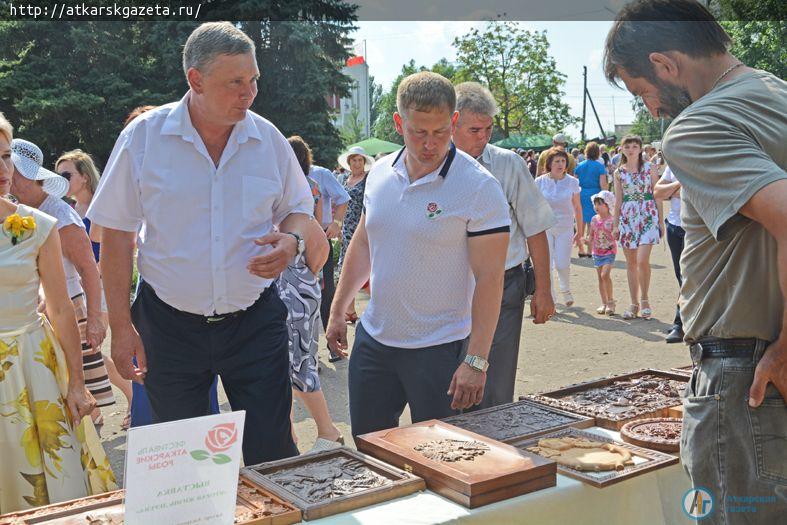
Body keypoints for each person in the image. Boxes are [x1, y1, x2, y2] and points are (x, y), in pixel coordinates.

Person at [88, 22, 328, 465]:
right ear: (194, 79)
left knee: (271, 452)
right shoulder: (144, 138)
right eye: (235, 82)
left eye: (253, 79)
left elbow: (298, 210)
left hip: (254, 323)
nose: (249, 93)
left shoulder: (268, 139)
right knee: (189, 461)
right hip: (169, 327)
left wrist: (292, 240)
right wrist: (121, 327)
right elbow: (117, 236)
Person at [605, 3, 786, 522]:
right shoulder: (775, 92)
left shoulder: (697, 125)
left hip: (748, 372)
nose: (653, 109)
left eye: (643, 92)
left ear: (664, 64)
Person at [326, 72, 511, 437]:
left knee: (443, 462)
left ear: (454, 121)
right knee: (371, 454)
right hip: (375, 343)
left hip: (440, 350)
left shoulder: (478, 187)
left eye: (440, 132)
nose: (430, 144)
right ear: (399, 123)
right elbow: (364, 241)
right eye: (418, 132)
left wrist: (476, 359)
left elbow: (491, 277)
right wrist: (337, 309)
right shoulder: (379, 173)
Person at [0, 113, 116, 513]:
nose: (3, 170)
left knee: (51, 479)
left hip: (35, 365)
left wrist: (76, 384)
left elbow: (62, 308)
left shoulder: (39, 225)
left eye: (4, 158)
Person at [453, 81, 556, 409]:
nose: (483, 138)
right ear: (452, 123)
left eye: (488, 129)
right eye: (474, 130)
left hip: (503, 286)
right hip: (450, 289)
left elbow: (535, 228)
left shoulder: (508, 164)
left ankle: (496, 449)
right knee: (450, 385)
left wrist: (543, 290)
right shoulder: (436, 164)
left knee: (494, 388)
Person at [10, 140, 115, 419]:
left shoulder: (59, 214)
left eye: (13, 169)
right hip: (40, 313)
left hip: (70, 310)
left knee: (79, 393)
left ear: (29, 176)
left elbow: (88, 269)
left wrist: (93, 319)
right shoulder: (18, 213)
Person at [55, 149, 134, 429]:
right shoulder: (69, 210)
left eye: (66, 174)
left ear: (84, 176)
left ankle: (129, 399)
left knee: (95, 348)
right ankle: (115, 402)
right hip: (81, 289)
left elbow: (118, 248)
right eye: (57, 175)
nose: (60, 180)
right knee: (91, 350)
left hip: (101, 287)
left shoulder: (101, 207)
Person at [283, 136, 343, 451]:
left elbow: (317, 241)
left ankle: (328, 431)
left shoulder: (297, 190)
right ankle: (288, 434)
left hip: (291, 290)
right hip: (291, 286)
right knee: (282, 365)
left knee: (299, 362)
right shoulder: (307, 186)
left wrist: (299, 274)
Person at [610, 135, 662, 320]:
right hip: (627, 217)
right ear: (622, 149)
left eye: (634, 146)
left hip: (648, 215)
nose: (631, 149)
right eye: (627, 146)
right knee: (631, 263)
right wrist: (615, 225)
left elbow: (657, 195)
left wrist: (660, 221)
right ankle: (634, 304)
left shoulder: (650, 168)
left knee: (641, 261)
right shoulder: (619, 173)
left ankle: (645, 299)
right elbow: (618, 201)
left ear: (640, 149)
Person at [307, 160, 349, 343]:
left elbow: (343, 198)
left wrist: (337, 223)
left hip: (321, 238)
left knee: (326, 292)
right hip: (294, 243)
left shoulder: (320, 174)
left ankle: (333, 343)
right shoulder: (285, 172)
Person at [535, 148, 583, 307]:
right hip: (544, 228)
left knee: (562, 263)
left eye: (563, 161)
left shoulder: (572, 182)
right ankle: (551, 298)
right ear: (549, 163)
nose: (561, 164)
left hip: (565, 228)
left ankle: (565, 288)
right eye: (557, 161)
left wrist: (580, 232)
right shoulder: (539, 182)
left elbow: (577, 208)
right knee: (546, 265)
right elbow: (534, 207)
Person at [336, 145, 374, 325]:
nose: (357, 163)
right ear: (349, 163)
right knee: (347, 268)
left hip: (362, 228)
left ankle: (378, 305)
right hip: (346, 230)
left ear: (364, 163)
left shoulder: (368, 180)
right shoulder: (344, 179)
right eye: (354, 160)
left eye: (360, 160)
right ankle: (349, 311)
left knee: (367, 267)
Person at [654, 165, 684, 343]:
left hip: (697, 227)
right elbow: (658, 191)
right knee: (681, 276)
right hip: (675, 226)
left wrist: (671, 190)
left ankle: (680, 324)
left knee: (689, 277)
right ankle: (685, 323)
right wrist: (678, 186)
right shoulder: (673, 163)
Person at [574, 142, 608, 257]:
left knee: (580, 223)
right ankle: (590, 250)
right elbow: (603, 184)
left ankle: (581, 249)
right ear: (598, 153)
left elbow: (575, 182)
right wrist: (606, 197)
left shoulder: (579, 166)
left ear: (586, 152)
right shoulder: (600, 166)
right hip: (595, 195)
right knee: (593, 223)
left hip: (581, 194)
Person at [587, 190, 617, 315]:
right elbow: (591, 236)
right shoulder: (594, 219)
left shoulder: (612, 220)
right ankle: (604, 303)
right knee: (600, 278)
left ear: (608, 205)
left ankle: (611, 302)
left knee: (605, 275)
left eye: (600, 204)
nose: (597, 207)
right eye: (595, 204)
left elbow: (617, 235)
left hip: (609, 252)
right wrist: (583, 242)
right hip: (597, 252)